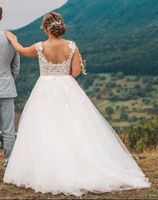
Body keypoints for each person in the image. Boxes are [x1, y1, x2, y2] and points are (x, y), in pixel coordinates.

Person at [4, 12, 151, 197]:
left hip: (45, 90)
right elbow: (75, 72)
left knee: (47, 127)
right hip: (67, 88)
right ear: (60, 26)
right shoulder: (72, 45)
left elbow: (22, 50)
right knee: (74, 126)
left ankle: (51, 167)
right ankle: (80, 165)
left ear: (45, 27)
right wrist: (62, 77)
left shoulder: (40, 47)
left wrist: (10, 37)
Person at [0, 6, 20, 169]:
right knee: (8, 129)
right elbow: (16, 67)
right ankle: (9, 164)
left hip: (6, 86)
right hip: (6, 88)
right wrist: (8, 81)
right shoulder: (10, 37)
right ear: (1, 16)